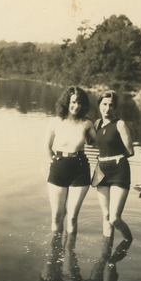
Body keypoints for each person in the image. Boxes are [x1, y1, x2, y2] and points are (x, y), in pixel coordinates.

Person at [44, 86, 96, 235]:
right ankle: (56, 255)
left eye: (80, 103)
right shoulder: (55, 121)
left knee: (72, 217)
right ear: (66, 102)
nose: (76, 106)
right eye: (73, 102)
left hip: (80, 170)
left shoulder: (86, 123)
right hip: (58, 168)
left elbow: (98, 142)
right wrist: (54, 164)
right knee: (57, 216)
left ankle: (69, 255)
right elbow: (47, 148)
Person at [94, 90, 134, 246]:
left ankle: (128, 241)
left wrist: (114, 158)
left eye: (111, 105)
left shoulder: (120, 124)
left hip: (119, 171)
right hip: (101, 171)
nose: (107, 108)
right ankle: (106, 252)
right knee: (106, 215)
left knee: (115, 218)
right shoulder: (96, 124)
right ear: (99, 105)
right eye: (104, 104)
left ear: (115, 107)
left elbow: (130, 151)